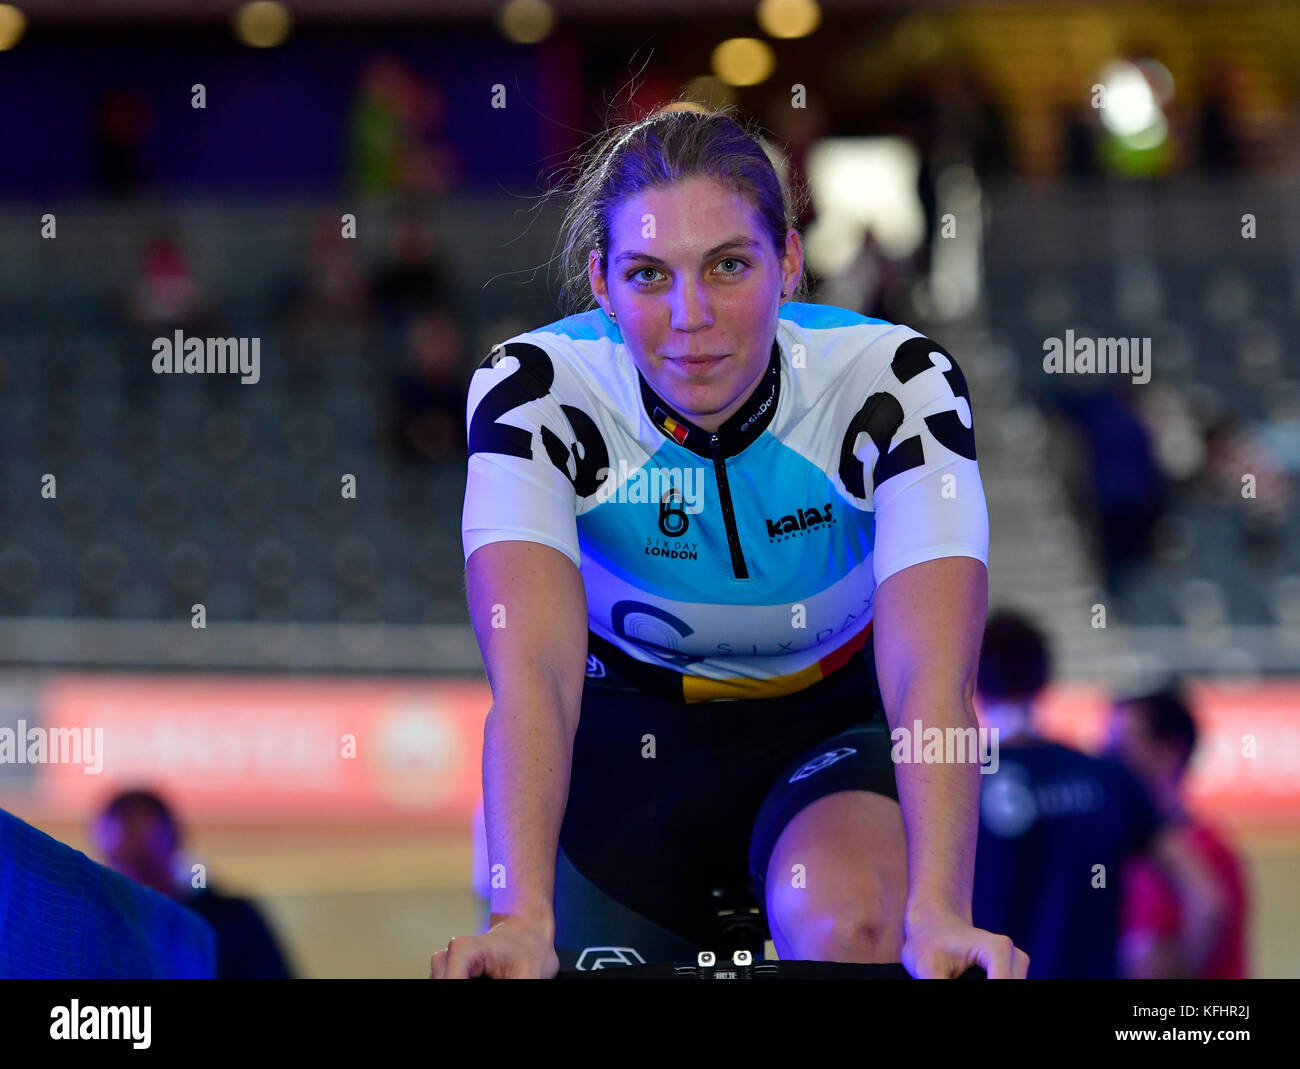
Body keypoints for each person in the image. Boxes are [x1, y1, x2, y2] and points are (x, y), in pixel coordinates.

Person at [436, 103, 1027, 980]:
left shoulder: (899, 383)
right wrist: (519, 913)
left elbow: (929, 683)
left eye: (728, 265)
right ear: (598, 283)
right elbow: (536, 679)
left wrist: (937, 912)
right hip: (626, 741)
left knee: (859, 928)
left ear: (790, 262)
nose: (691, 316)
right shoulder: (534, 393)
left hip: (832, 726)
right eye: (647, 276)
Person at [971, 612, 1159, 977]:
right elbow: (1196, 891)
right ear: (1045, 677)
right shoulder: (1107, 778)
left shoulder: (948, 788)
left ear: (973, 679)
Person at [1105, 688, 1250, 978]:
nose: (1105, 761)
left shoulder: (1195, 852)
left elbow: (1149, 961)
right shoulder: (1141, 846)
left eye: (1120, 748)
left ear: (1169, 752)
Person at [91, 789, 295, 979]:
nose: (135, 879)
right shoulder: (97, 926)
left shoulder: (232, 920)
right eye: (121, 863)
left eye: (144, 863)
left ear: (174, 844)